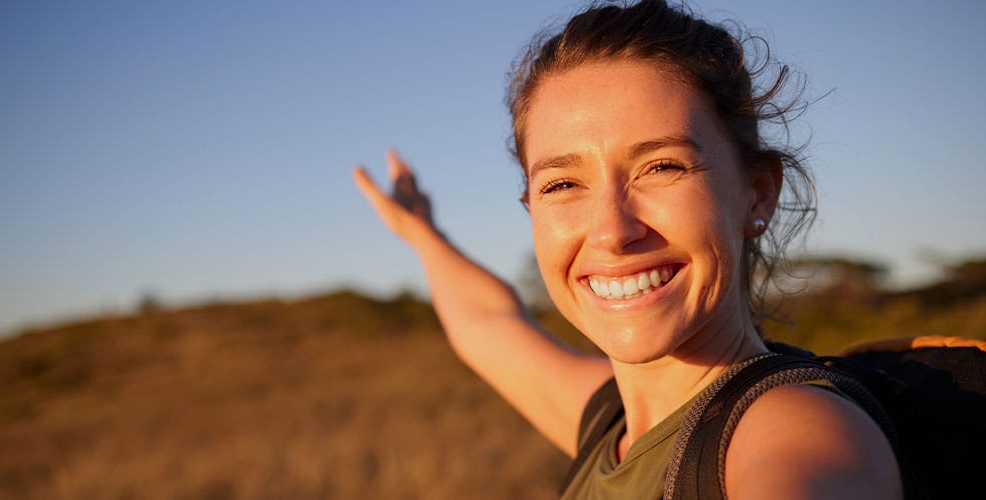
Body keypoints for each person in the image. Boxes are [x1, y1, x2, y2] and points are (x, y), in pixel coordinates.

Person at [352, 1, 902, 498]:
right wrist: (422, 234)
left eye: (661, 167)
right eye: (562, 184)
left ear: (756, 192)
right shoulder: (611, 424)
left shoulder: (796, 435)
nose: (612, 230)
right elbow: (487, 325)